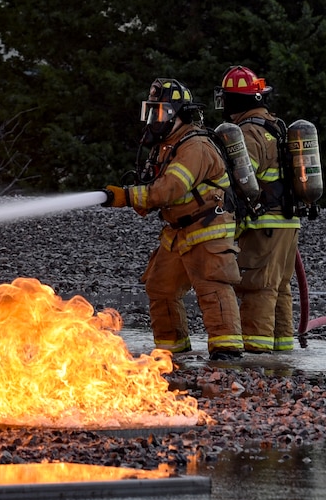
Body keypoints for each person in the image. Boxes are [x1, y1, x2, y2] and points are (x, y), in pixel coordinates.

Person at [104, 78, 244, 362]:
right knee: (160, 285)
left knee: (212, 285)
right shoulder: (166, 145)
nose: (152, 120)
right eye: (149, 112)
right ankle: (172, 350)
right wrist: (137, 196)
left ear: (176, 114)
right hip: (179, 229)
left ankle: (227, 353)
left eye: (158, 112)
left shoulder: (195, 146)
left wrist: (127, 197)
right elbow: (156, 187)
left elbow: (170, 188)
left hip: (208, 227)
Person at [217, 66, 301, 357]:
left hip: (263, 222)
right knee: (280, 286)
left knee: (258, 286)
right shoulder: (276, 126)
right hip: (288, 223)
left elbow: (242, 181)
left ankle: (257, 352)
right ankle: (282, 349)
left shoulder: (248, 133)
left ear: (234, 101)